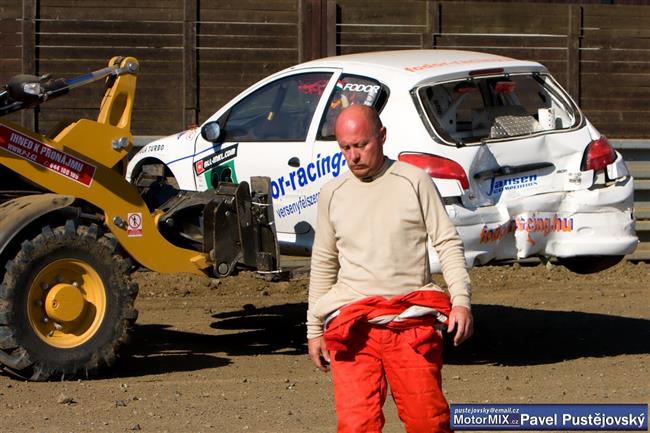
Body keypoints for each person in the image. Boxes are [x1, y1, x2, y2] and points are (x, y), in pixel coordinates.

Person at [307, 104, 473, 433]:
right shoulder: (333, 194)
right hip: (352, 325)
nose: (353, 156)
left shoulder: (414, 182)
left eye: (361, 145)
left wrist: (461, 302)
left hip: (411, 322)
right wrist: (314, 329)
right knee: (356, 425)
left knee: (428, 422)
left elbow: (447, 243)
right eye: (346, 148)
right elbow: (324, 261)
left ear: (382, 136)